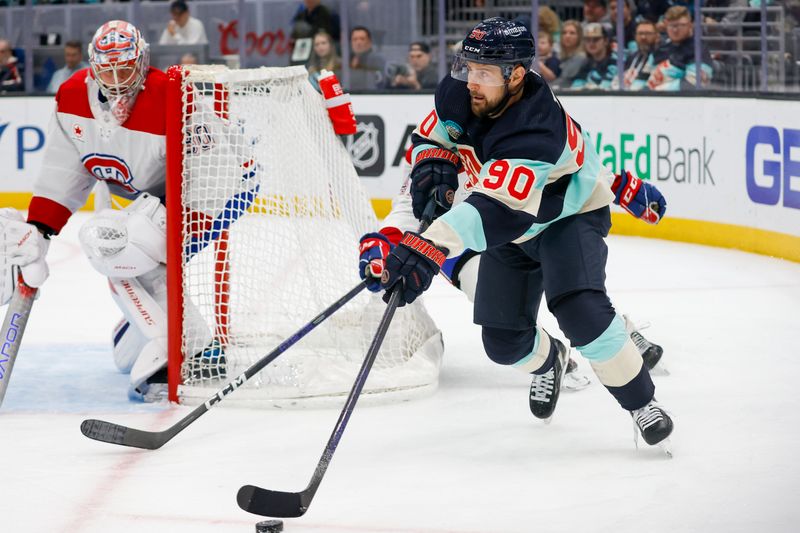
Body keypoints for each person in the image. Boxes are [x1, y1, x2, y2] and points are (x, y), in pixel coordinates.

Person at [368, 17, 673, 449]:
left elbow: (493, 210)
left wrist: (429, 246)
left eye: (485, 73)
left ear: (516, 75)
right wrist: (432, 159)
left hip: (566, 218)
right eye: (467, 68)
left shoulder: (535, 128)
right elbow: (429, 136)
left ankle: (641, 402)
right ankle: (551, 361)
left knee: (581, 312)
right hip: (511, 225)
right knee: (502, 341)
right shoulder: (460, 92)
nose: (471, 82)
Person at [0, 20, 219, 403]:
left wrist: (174, 220)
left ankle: (196, 351)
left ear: (142, 62)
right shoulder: (72, 97)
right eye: (107, 69)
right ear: (92, 66)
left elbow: (215, 170)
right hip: (148, 201)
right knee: (127, 265)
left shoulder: (172, 94)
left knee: (116, 244)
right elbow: (62, 172)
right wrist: (39, 231)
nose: (117, 79)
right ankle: (139, 335)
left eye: (125, 68)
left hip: (208, 195)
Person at [647, 6, 713, 90]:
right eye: (671, 25)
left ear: (690, 24)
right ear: (665, 25)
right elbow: (644, 76)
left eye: (681, 25)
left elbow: (693, 85)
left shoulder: (699, 50)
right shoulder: (661, 48)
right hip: (649, 99)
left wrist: (657, 91)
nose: (675, 30)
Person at [571, 23, 618, 89]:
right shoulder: (586, 62)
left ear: (606, 41)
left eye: (596, 39)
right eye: (588, 40)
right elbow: (576, 84)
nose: (591, 43)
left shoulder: (615, 61)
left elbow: (607, 85)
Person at [618, 20, 660, 90]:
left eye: (648, 33)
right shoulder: (631, 58)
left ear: (657, 36)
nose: (643, 37)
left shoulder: (660, 57)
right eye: (640, 33)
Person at [348, 26, 386, 90]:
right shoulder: (345, 61)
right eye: (355, 39)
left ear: (369, 42)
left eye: (362, 39)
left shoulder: (377, 60)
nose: (358, 43)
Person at [551, 20, 585, 89]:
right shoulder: (558, 56)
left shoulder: (580, 57)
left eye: (572, 33)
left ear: (579, 36)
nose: (567, 36)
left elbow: (565, 80)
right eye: (564, 33)